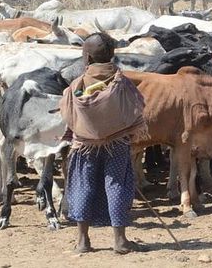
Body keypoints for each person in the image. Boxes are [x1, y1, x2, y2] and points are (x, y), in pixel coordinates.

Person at [59, 32, 148, 254]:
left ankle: (82, 241)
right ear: (112, 55)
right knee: (117, 186)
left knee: (83, 186)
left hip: (83, 146)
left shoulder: (76, 85)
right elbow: (136, 110)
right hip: (117, 144)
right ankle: (120, 241)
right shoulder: (123, 83)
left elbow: (68, 115)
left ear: (87, 59)